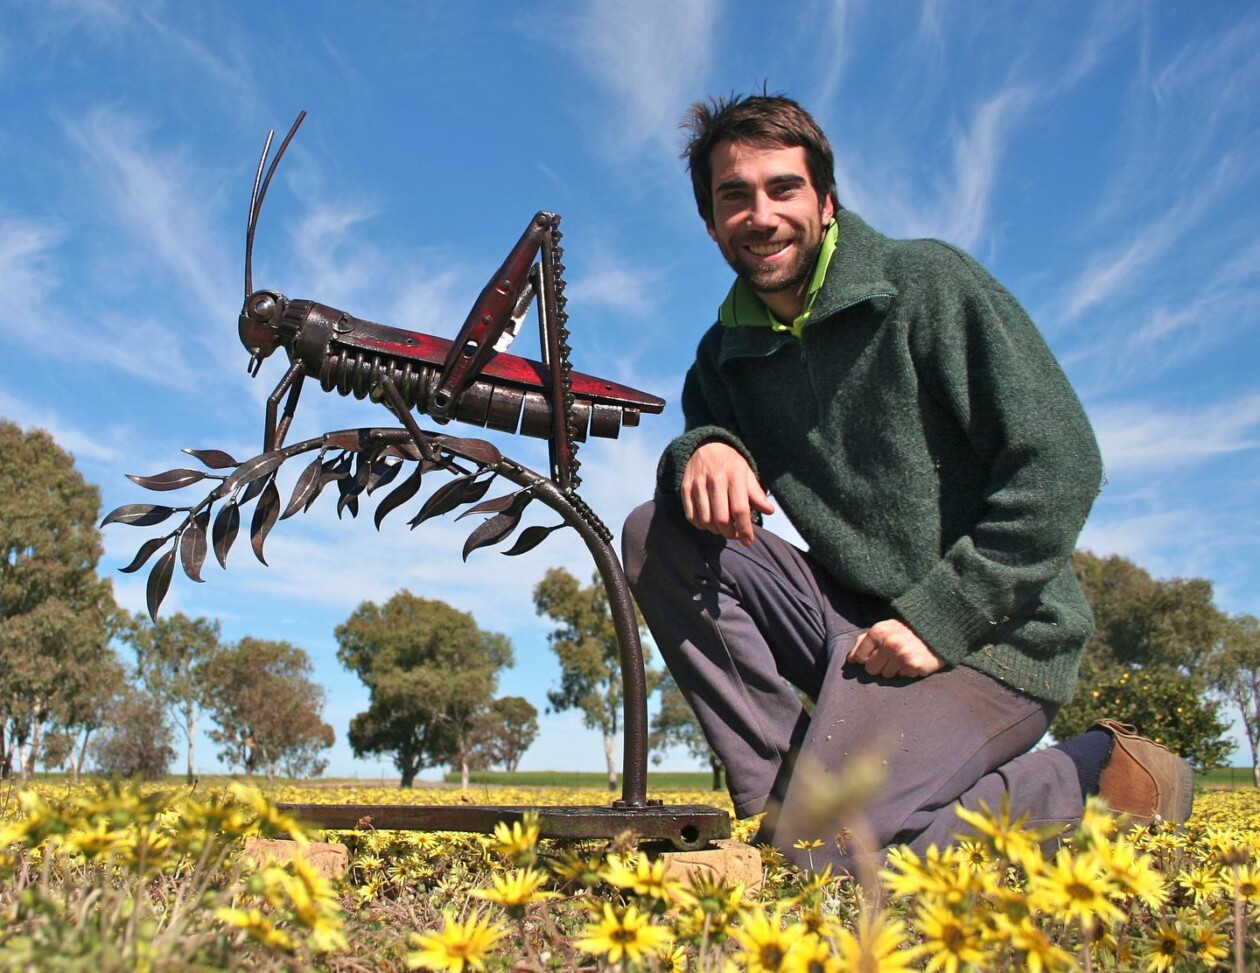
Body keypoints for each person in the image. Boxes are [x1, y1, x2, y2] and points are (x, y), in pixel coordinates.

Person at [621, 93, 1193, 874]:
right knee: (655, 531)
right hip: (858, 627)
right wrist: (703, 447)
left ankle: (1092, 773)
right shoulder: (723, 356)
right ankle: (781, 809)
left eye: (784, 188)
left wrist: (941, 616)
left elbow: (1061, 463)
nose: (762, 215)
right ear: (711, 222)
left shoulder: (926, 283)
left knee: (829, 856)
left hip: (996, 638)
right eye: (735, 196)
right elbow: (701, 457)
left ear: (825, 201)